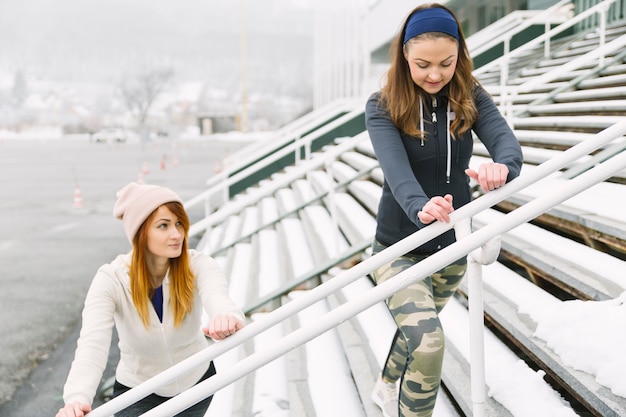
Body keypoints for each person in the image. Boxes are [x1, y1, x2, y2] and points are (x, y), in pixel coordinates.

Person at [365, 4, 523, 417]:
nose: (434, 74)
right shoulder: (381, 105)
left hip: (452, 245)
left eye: (445, 63)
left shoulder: (471, 94)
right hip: (399, 246)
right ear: (403, 56)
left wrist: (499, 167)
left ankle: (385, 384)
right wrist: (421, 206)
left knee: (419, 329)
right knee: (430, 342)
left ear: (460, 57)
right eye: (422, 64)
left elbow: (509, 147)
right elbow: (397, 173)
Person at [55, 182, 246, 417]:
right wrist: (76, 398)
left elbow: (220, 300)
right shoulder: (111, 279)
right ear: (141, 232)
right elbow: (92, 344)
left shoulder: (197, 264)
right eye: (163, 226)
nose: (176, 234)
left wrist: (226, 317)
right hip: (138, 391)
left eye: (178, 224)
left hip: (196, 384)